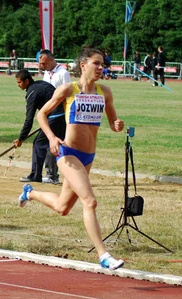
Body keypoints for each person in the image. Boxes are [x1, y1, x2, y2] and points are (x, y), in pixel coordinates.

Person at [19, 47, 125, 270]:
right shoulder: (68, 90)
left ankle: (30, 193)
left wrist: (117, 125)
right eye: (96, 63)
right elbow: (42, 114)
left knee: (62, 207)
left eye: (103, 64)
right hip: (68, 154)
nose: (101, 68)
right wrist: (51, 138)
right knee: (90, 201)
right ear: (83, 65)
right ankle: (103, 255)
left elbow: (114, 123)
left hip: (88, 156)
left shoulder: (104, 92)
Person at [14, 69, 65, 184]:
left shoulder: (32, 93)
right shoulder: (38, 85)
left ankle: (36, 175)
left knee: (39, 143)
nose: (18, 85)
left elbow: (29, 119)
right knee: (52, 144)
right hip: (63, 116)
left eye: (19, 82)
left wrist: (21, 138)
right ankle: (52, 176)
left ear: (26, 81)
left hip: (56, 116)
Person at [38, 50, 71, 184]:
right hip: (49, 112)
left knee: (53, 142)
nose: (42, 66)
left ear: (52, 60)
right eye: (40, 64)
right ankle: (52, 174)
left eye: (44, 63)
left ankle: (53, 175)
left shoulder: (63, 73)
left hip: (60, 113)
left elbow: (68, 95)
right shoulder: (47, 73)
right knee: (50, 141)